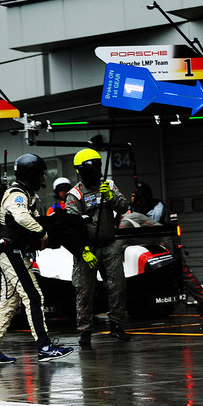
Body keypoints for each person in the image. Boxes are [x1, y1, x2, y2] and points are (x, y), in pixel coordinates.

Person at [0, 153, 74, 364]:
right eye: (41, 174)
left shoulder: (23, 192)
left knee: (9, 302)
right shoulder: (17, 194)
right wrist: (43, 234)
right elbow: (22, 217)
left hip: (9, 252)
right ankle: (44, 347)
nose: (44, 178)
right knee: (33, 296)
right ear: (30, 174)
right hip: (9, 252)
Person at [66, 148, 131, 346]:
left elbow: (123, 206)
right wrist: (82, 250)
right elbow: (71, 226)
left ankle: (117, 326)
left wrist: (110, 197)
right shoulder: (74, 194)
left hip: (109, 245)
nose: (95, 169)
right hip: (87, 249)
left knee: (118, 287)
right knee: (85, 291)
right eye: (90, 166)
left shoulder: (108, 185)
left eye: (97, 165)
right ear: (80, 170)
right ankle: (85, 331)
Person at [119, 211, 203, 318]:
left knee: (180, 271)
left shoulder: (126, 221)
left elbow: (118, 244)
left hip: (163, 240)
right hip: (157, 242)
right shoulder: (128, 219)